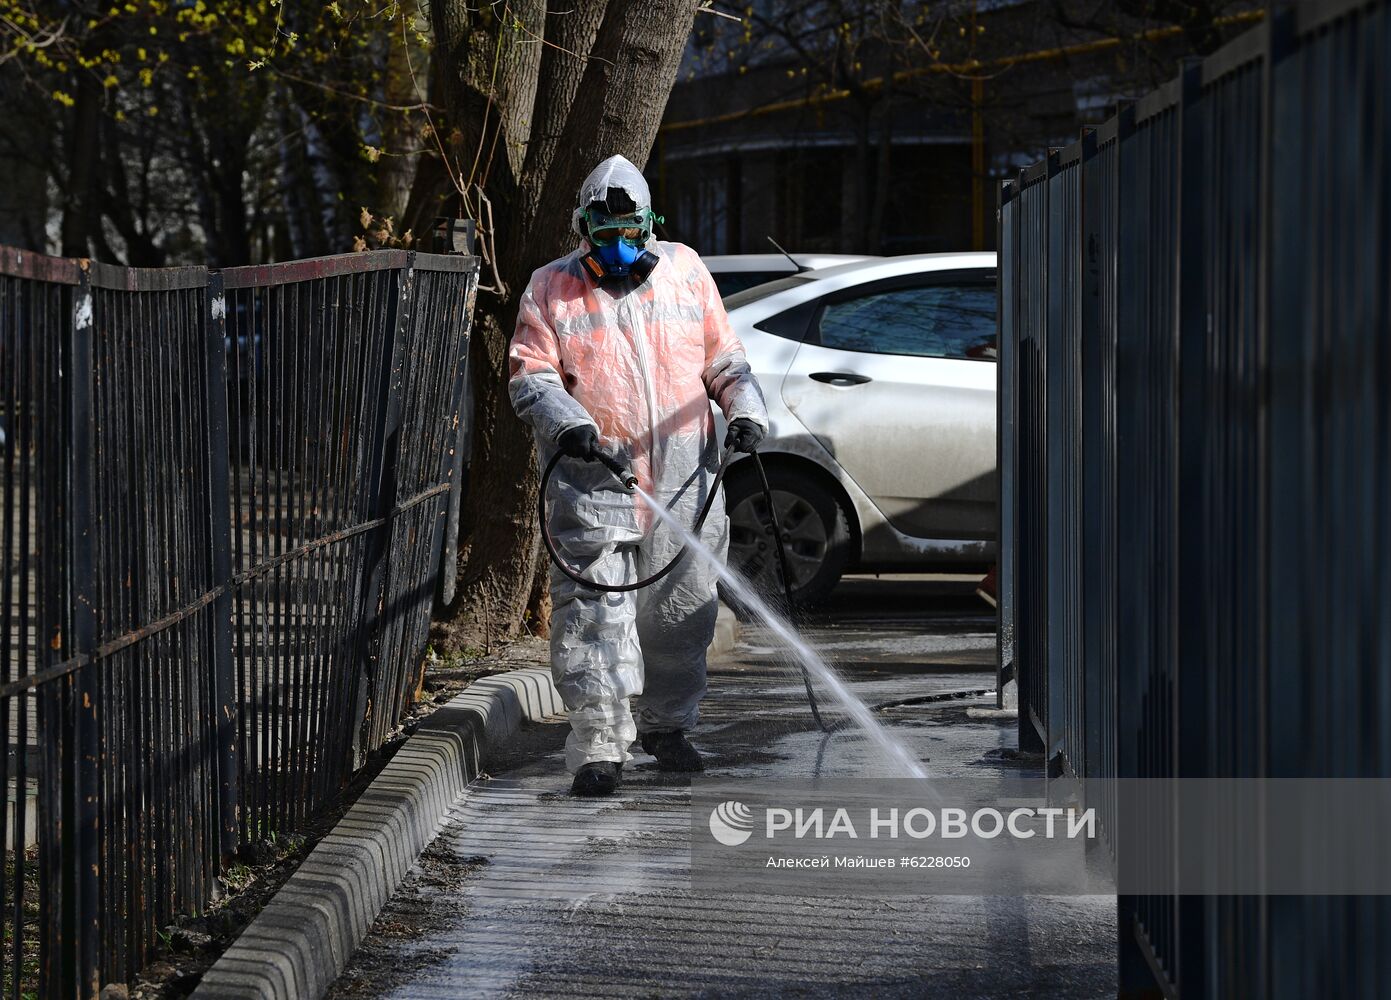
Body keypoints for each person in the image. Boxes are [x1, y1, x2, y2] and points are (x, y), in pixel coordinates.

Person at [508, 155, 769, 797]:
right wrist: (571, 425)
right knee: (595, 614)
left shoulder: (685, 272)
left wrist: (746, 411)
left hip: (684, 479)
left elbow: (723, 359)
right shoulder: (550, 288)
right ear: (583, 228)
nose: (620, 247)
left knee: (681, 613)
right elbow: (531, 374)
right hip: (593, 481)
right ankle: (599, 748)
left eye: (631, 231)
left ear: (650, 224)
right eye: (606, 233)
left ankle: (669, 729)